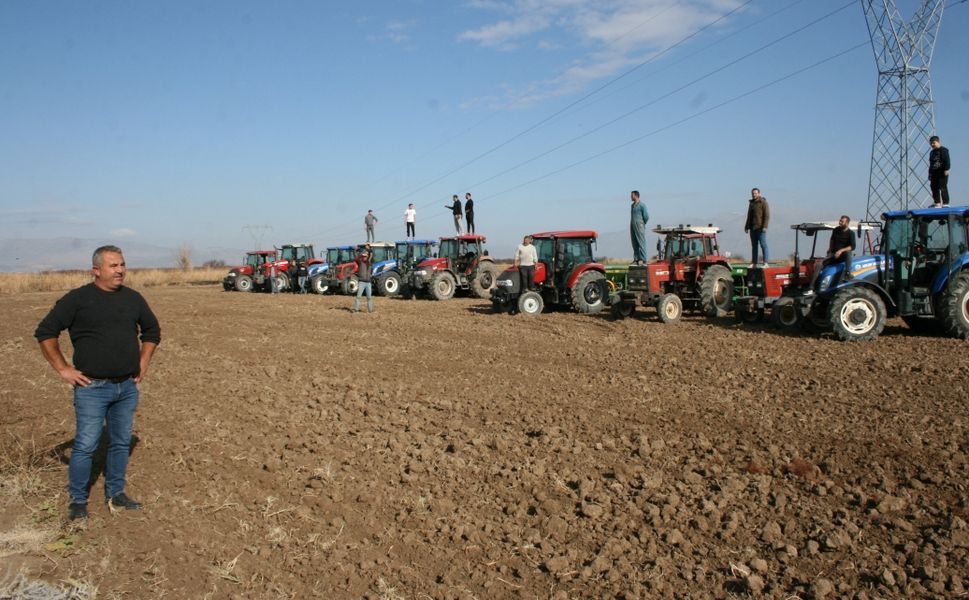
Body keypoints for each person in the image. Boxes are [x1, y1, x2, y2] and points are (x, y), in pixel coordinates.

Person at [34, 245, 160, 521]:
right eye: (113, 266)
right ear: (96, 270)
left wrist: (143, 363)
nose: (120, 270)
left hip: (126, 387)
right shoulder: (77, 300)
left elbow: (152, 331)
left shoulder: (133, 299)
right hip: (92, 389)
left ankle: (116, 494)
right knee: (86, 445)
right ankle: (78, 501)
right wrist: (63, 369)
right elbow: (45, 332)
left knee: (119, 443)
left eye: (122, 265)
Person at [744, 188, 770, 267]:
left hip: (760, 228)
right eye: (753, 193)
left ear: (759, 193)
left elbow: (767, 215)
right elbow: (749, 216)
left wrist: (765, 226)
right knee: (754, 246)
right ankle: (754, 263)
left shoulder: (763, 202)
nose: (754, 195)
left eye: (755, 193)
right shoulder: (751, 203)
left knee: (763, 244)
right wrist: (746, 226)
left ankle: (765, 262)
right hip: (753, 228)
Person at [826, 215, 855, 280]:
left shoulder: (851, 233)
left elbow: (853, 246)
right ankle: (811, 287)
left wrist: (841, 251)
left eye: (842, 221)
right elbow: (832, 240)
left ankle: (847, 273)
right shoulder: (836, 230)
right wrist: (830, 250)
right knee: (819, 264)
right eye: (840, 221)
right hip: (834, 255)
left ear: (847, 223)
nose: (840, 222)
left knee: (848, 252)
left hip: (843, 256)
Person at [928, 135, 950, 207]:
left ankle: (945, 203)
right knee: (934, 187)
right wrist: (929, 174)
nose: (932, 145)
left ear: (938, 142)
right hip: (934, 173)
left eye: (933, 143)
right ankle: (937, 203)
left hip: (942, 172)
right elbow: (931, 163)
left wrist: (947, 169)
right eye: (931, 143)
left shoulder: (943, 150)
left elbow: (947, 160)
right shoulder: (932, 152)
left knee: (943, 187)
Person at [353, 245, 375, 313]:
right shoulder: (360, 262)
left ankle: (370, 311)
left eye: (365, 256)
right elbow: (356, 257)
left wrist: (369, 250)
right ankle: (356, 310)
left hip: (368, 283)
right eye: (363, 256)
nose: (364, 257)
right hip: (361, 282)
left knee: (369, 298)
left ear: (367, 256)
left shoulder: (369, 262)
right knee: (358, 297)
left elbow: (372, 255)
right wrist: (356, 250)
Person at [629, 190, 649, 265]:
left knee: (641, 242)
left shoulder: (642, 205)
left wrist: (642, 223)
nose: (631, 197)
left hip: (639, 224)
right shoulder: (632, 205)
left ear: (636, 196)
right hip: (632, 224)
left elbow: (646, 216)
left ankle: (644, 259)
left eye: (632, 195)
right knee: (634, 242)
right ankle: (636, 258)